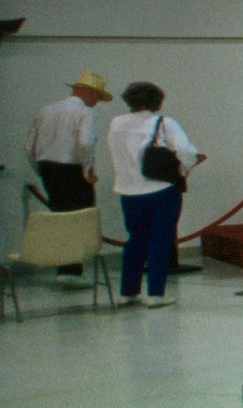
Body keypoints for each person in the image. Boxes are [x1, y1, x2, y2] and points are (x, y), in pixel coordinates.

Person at [106, 82, 203, 307]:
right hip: (161, 189)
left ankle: (128, 291)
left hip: (128, 190)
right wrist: (183, 169)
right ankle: (155, 293)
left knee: (135, 240)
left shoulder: (116, 123)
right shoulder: (164, 123)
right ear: (157, 101)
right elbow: (187, 151)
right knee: (161, 239)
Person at [26, 70, 109, 286]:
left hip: (47, 168)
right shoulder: (84, 112)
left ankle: (64, 267)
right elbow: (85, 142)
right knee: (79, 219)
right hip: (72, 169)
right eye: (97, 97)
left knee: (59, 217)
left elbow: (29, 147)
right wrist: (88, 170)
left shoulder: (45, 110)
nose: (97, 102)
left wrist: (40, 169)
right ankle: (71, 271)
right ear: (88, 93)